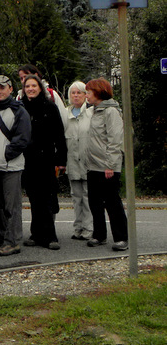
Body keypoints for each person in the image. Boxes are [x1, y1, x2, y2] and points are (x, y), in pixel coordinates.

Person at [0, 75, 31, 257]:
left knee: (12, 207)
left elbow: (23, 138)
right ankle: (2, 236)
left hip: (10, 167)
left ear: (10, 89)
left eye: (2, 88)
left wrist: (6, 154)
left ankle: (13, 241)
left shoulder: (19, 111)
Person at [20, 74, 67, 250]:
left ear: (40, 88)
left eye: (34, 86)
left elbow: (59, 135)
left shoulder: (50, 107)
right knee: (33, 198)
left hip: (46, 159)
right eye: (27, 86)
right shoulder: (21, 107)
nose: (30, 89)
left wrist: (61, 159)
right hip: (27, 160)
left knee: (47, 198)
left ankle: (50, 236)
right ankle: (36, 234)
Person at [84, 78, 128, 251]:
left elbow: (115, 139)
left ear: (98, 91)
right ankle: (99, 235)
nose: (86, 95)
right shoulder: (95, 111)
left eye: (88, 91)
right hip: (93, 165)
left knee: (112, 202)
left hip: (107, 166)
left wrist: (110, 164)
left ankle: (121, 237)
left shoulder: (111, 111)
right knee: (94, 202)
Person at [65, 81, 93, 241]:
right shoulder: (66, 113)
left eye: (79, 93)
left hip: (88, 162)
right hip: (72, 161)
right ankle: (78, 227)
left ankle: (89, 228)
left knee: (88, 196)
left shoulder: (90, 113)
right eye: (73, 93)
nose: (76, 95)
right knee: (76, 196)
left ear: (85, 95)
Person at [17, 64, 68, 130]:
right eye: (21, 78)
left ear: (36, 75)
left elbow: (63, 121)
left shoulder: (51, 95)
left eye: (26, 76)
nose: (23, 80)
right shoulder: (19, 99)